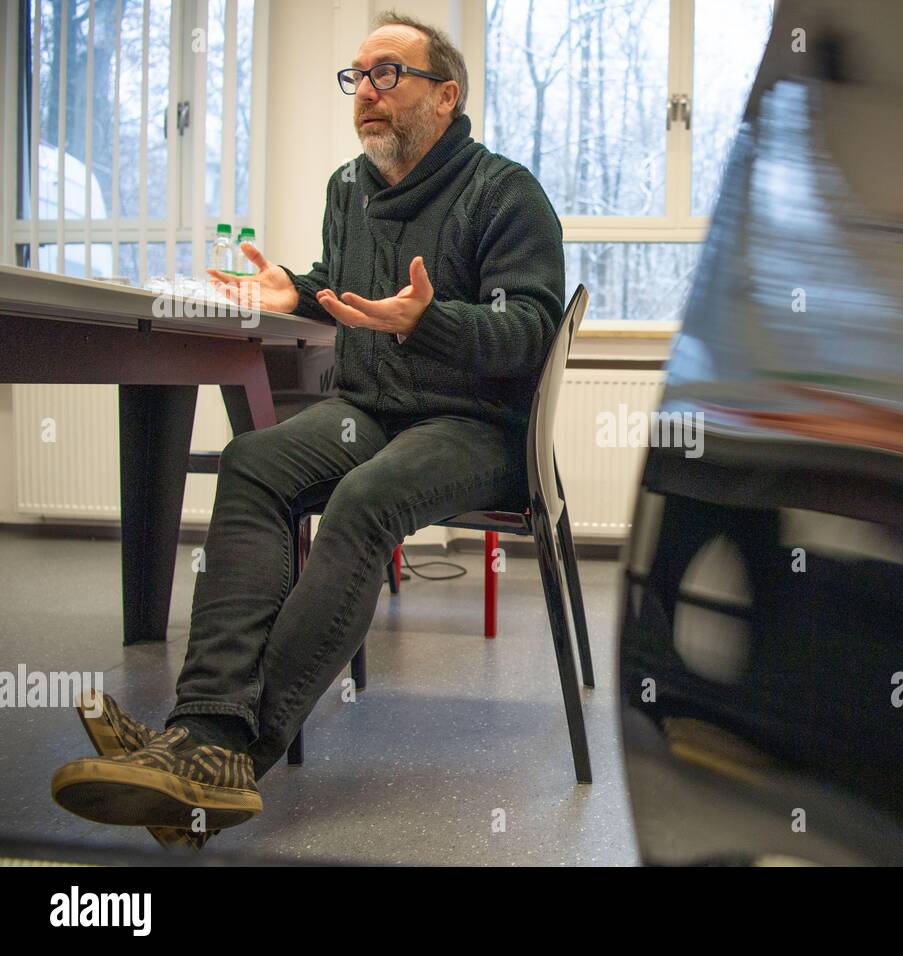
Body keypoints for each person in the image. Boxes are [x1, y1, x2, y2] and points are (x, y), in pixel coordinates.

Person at [50, 10, 565, 852]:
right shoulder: (347, 188)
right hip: (370, 412)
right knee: (253, 460)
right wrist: (298, 286)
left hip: (473, 425)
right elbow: (345, 282)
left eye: (388, 74)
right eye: (356, 76)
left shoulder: (504, 193)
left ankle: (229, 757)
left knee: (363, 503)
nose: (366, 92)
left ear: (446, 96)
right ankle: (203, 726)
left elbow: (529, 332)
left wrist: (429, 322)